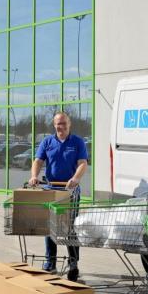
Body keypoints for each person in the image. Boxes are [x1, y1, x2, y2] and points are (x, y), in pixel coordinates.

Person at [28, 112, 88, 281]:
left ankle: (74, 263)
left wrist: (75, 178)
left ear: (69, 124)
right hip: (51, 189)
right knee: (50, 227)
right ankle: (50, 262)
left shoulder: (77, 142)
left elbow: (83, 163)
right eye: (57, 124)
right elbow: (38, 161)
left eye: (63, 123)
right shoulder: (47, 142)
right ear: (54, 125)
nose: (60, 127)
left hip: (70, 190)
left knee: (70, 227)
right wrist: (34, 176)